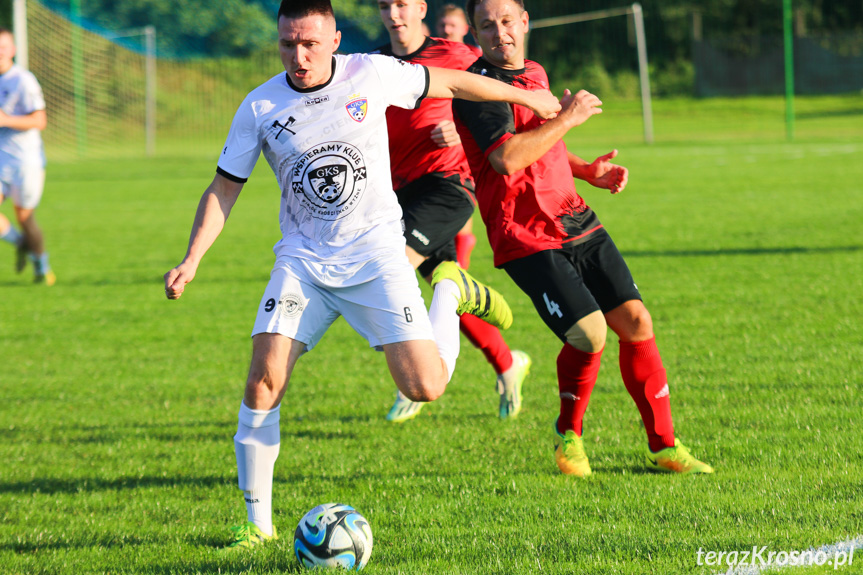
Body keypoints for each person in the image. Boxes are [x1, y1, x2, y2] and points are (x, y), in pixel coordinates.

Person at [163, 0, 559, 549]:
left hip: (376, 256)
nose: (298, 57)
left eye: (309, 43)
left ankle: (449, 288)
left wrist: (527, 95)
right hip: (303, 260)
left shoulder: (369, 74)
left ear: (334, 39)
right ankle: (256, 525)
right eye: (287, 44)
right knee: (263, 379)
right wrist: (192, 259)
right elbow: (224, 187)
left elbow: (455, 83)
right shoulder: (259, 106)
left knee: (425, 385)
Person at [452, 0, 713, 476]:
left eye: (507, 21)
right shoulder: (476, 91)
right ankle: (568, 435)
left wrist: (586, 170)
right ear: (475, 30)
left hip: (574, 216)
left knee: (636, 320)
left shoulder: (534, 71)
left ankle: (664, 446)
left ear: (524, 22)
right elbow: (507, 158)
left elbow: (543, 139)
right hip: (524, 232)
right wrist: (569, 117)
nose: (499, 33)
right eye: (487, 25)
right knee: (589, 333)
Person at [375, 0, 531, 423]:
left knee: (391, 271)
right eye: (385, 5)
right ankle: (506, 363)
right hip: (398, 196)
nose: (394, 14)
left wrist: (463, 139)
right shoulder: (372, 65)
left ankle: (413, 374)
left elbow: (505, 104)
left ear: (420, 8)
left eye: (402, 4)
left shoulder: (456, 55)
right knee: (448, 295)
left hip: (448, 187)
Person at [0, 28, 54, 285]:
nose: (0, 51)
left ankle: (42, 265)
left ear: (13, 50)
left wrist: (6, 120)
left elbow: (40, 120)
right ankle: (21, 242)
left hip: (25, 161)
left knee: (24, 218)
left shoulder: (23, 80)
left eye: (4, 46)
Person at [434, 3, 480, 268]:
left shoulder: (474, 59)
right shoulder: (429, 59)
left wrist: (459, 128)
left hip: (466, 144)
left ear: (466, 29)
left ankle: (460, 270)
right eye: (442, 25)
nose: (447, 29)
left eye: (452, 24)